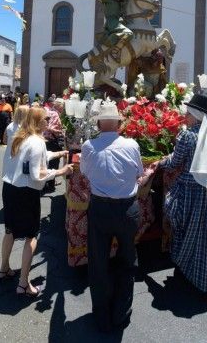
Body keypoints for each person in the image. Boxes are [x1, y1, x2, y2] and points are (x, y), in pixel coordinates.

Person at [158, 94, 207, 296]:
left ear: (195, 115)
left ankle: (191, 270)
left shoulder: (187, 136)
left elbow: (174, 163)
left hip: (192, 192)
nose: (185, 116)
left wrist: (159, 162)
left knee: (190, 231)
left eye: (188, 113)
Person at [80, 100, 144, 332]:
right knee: (128, 259)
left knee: (98, 262)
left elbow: (85, 172)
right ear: (118, 123)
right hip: (127, 208)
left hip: (100, 208)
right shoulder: (131, 144)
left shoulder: (88, 146)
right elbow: (139, 172)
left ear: (98, 123)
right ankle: (121, 312)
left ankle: (102, 315)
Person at [0, 107, 73, 296]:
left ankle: (4, 269)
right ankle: (23, 283)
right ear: (38, 121)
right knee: (31, 237)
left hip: (10, 188)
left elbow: (31, 159)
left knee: (10, 231)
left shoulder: (20, 137)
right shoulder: (38, 141)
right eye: (45, 119)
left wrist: (57, 154)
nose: (48, 122)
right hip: (26, 192)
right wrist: (60, 172)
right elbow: (36, 173)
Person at [44, 98, 65, 193]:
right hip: (52, 140)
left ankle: (45, 183)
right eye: (62, 106)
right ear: (59, 106)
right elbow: (55, 128)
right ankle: (51, 185)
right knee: (54, 163)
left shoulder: (47, 112)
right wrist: (61, 131)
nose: (63, 108)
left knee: (46, 163)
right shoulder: (55, 114)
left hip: (45, 140)